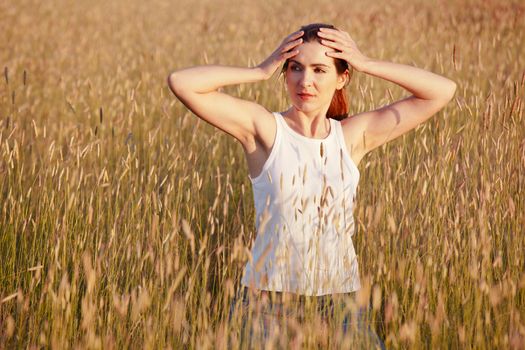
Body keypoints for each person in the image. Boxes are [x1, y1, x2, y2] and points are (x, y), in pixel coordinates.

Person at [168, 22, 456, 348]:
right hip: (267, 307)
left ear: (341, 78)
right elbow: (182, 82)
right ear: (285, 72)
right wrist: (260, 70)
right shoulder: (264, 130)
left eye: (320, 70)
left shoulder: (351, 137)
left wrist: (365, 63)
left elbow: (442, 91)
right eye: (295, 68)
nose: (305, 81)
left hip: (340, 306)